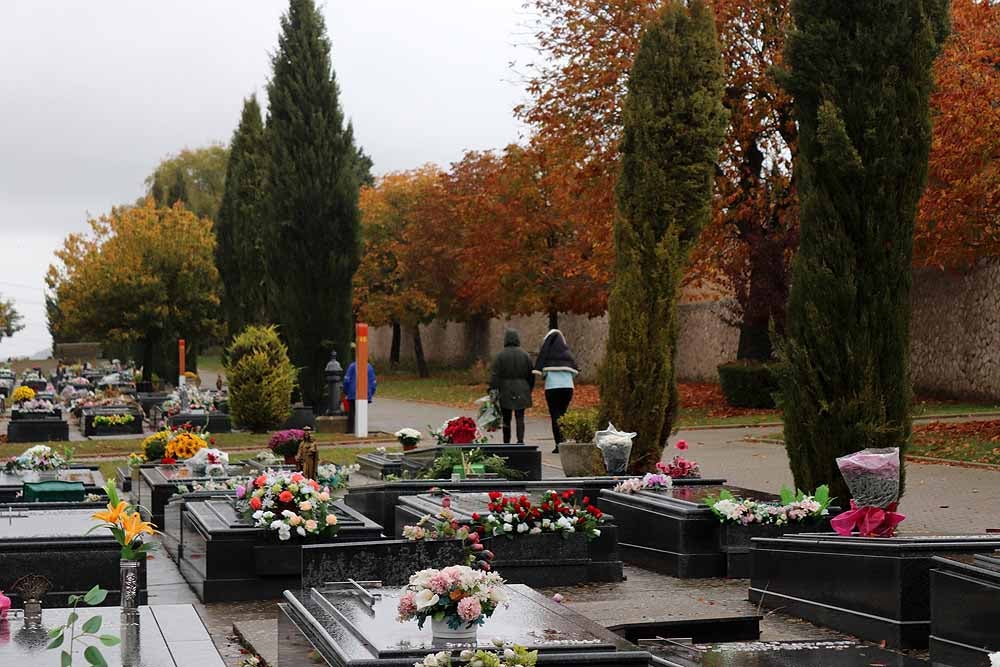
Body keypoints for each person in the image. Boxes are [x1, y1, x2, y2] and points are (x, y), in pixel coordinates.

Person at [534, 329, 579, 453]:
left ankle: (558, 443)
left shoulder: (548, 358)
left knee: (555, 415)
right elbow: (575, 373)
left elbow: (543, 373)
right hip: (568, 388)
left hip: (552, 388)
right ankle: (564, 440)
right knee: (563, 414)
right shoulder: (568, 355)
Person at [489, 329, 534, 444]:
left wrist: (493, 389)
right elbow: (531, 374)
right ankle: (520, 440)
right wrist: (529, 388)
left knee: (506, 418)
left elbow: (495, 375)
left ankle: (506, 441)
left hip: (505, 388)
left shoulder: (500, 356)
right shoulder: (525, 355)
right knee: (520, 417)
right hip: (522, 387)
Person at [342, 359, 376, 432]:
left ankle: (351, 430)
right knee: (362, 412)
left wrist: (346, 391)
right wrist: (370, 393)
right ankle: (362, 429)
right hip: (365, 393)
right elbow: (373, 382)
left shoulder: (352, 366)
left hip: (352, 393)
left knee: (352, 412)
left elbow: (346, 380)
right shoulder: (369, 367)